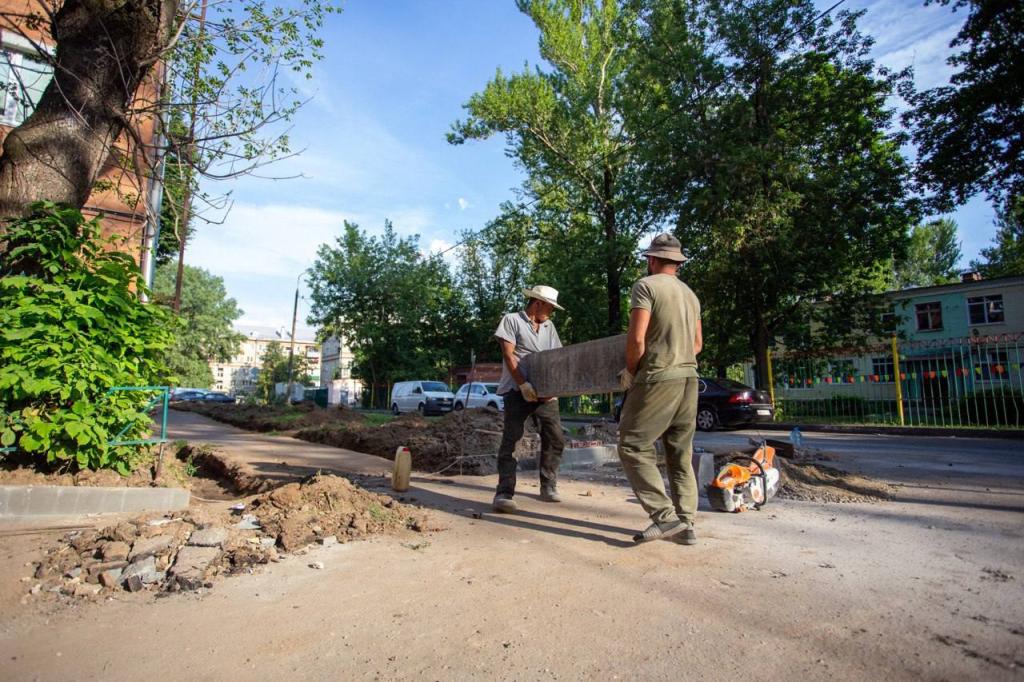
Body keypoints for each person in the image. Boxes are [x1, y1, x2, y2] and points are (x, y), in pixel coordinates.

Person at [617, 233, 703, 544]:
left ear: (652, 260)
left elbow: (637, 339)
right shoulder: (691, 295)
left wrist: (630, 371)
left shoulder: (646, 286)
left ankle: (664, 517)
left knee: (632, 445)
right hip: (689, 379)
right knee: (680, 453)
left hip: (657, 378)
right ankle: (687, 523)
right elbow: (697, 344)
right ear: (677, 262)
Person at [491, 285, 567, 513]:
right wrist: (523, 384)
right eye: (550, 307)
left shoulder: (549, 326)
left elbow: (556, 358)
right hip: (518, 391)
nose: (551, 312)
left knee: (555, 438)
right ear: (538, 303)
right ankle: (504, 493)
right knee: (512, 441)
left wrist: (552, 388)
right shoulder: (511, 320)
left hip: (545, 394)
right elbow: (508, 354)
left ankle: (548, 485)